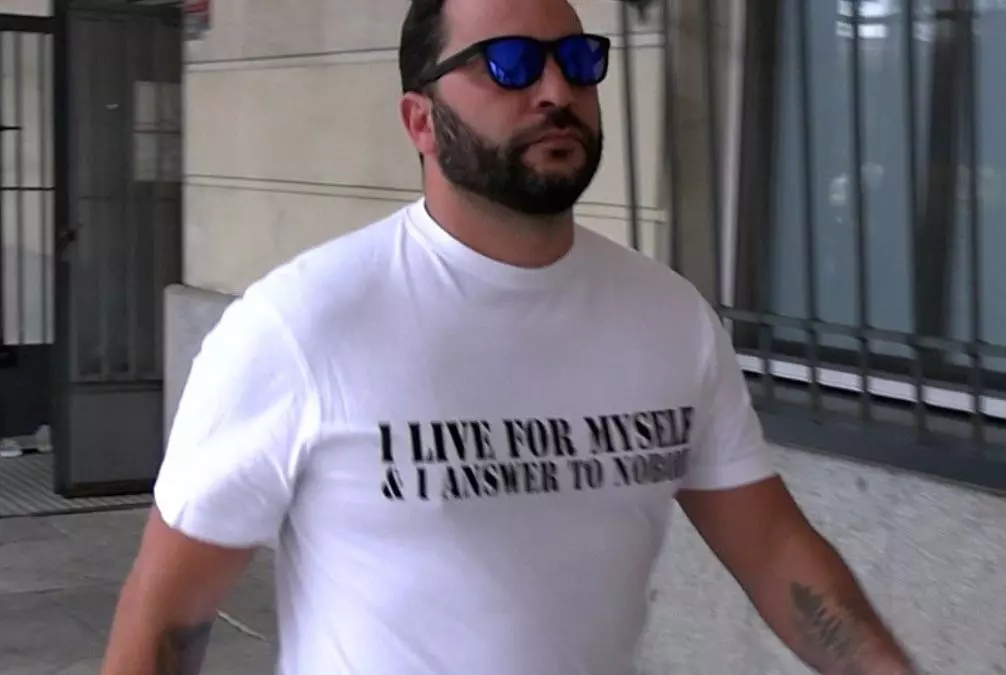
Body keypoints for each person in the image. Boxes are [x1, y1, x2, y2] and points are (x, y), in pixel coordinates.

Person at [99, 0, 919, 673]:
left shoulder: (670, 319)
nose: (556, 90)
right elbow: (166, 615)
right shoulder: (300, 326)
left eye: (579, 60)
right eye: (511, 64)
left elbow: (772, 549)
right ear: (421, 122)